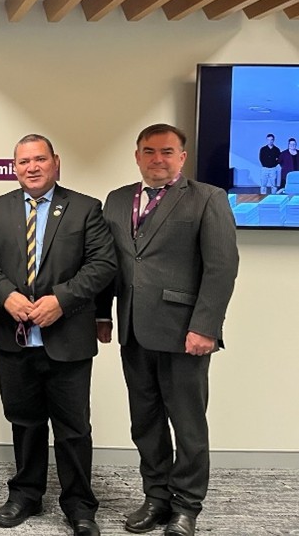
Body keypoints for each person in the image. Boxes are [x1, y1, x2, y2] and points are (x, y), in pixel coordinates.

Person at [96, 123, 238, 536]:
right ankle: (156, 497)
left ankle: (186, 506)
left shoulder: (207, 198)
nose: (157, 159)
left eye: (167, 152)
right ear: (137, 155)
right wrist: (102, 314)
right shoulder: (117, 199)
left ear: (182, 157)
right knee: (145, 422)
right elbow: (107, 263)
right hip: (133, 330)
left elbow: (221, 267)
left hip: (184, 334)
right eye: (149, 151)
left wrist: (205, 326)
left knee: (188, 424)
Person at [0, 134, 115, 536]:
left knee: (74, 428)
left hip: (67, 338)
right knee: (24, 422)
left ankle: (79, 504)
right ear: (14, 168)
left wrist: (61, 301)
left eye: (39, 159)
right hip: (14, 337)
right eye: (23, 162)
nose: (31, 167)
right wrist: (7, 295)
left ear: (56, 162)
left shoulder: (85, 208)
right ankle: (26, 494)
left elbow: (103, 264)